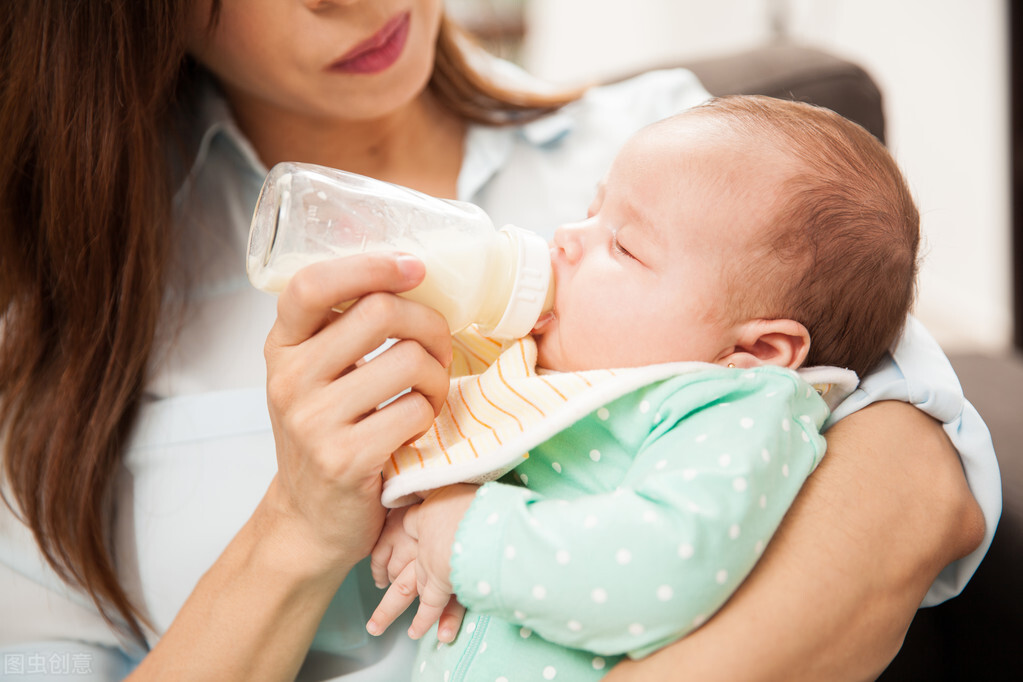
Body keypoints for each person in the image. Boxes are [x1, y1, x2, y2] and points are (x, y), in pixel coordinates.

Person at [0, 2, 996, 681]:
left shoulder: (688, 151)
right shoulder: (61, 344)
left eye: (618, 242)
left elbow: (917, 481)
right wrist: (297, 529)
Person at [362, 95, 916, 680]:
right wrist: (429, 507)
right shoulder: (564, 372)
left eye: (624, 246)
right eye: (591, 210)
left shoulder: (731, 409)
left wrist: (469, 535)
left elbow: (665, 563)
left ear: (755, 352)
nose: (566, 238)